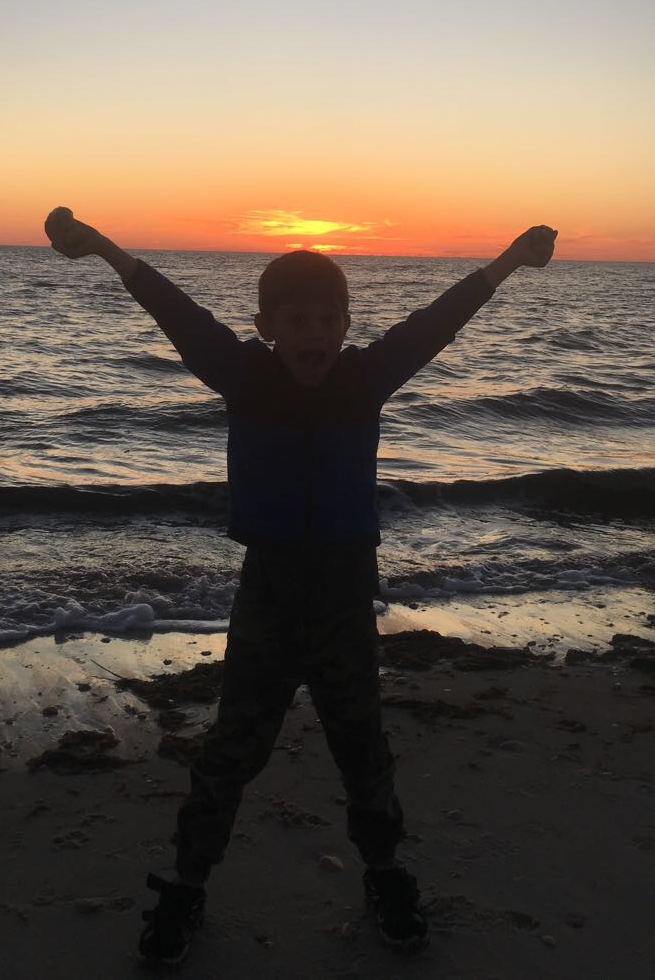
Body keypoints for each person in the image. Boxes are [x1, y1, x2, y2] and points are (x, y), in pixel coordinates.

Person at [45, 206, 557, 965]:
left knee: (363, 750)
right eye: (297, 321)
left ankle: (384, 873)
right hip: (270, 599)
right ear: (268, 327)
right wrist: (100, 248)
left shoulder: (367, 378)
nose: (314, 334)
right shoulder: (242, 376)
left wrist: (511, 259)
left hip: (345, 599)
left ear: (346, 325)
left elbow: (438, 320)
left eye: (327, 320)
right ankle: (186, 886)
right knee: (231, 752)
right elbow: (172, 308)